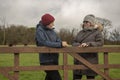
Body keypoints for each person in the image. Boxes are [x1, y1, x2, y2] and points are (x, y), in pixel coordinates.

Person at [35, 13, 69, 80]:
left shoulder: (52, 31)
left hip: (54, 59)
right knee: (56, 78)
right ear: (47, 23)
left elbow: (58, 40)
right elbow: (44, 42)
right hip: (46, 60)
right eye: (52, 23)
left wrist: (61, 43)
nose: (53, 24)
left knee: (50, 78)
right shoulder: (39, 30)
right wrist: (60, 44)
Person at [72, 14, 104, 80]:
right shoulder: (80, 32)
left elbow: (100, 43)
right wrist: (79, 45)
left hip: (90, 60)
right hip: (79, 59)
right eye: (84, 22)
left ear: (92, 23)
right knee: (76, 78)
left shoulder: (97, 32)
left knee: (90, 78)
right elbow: (73, 43)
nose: (85, 23)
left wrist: (88, 44)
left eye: (87, 22)